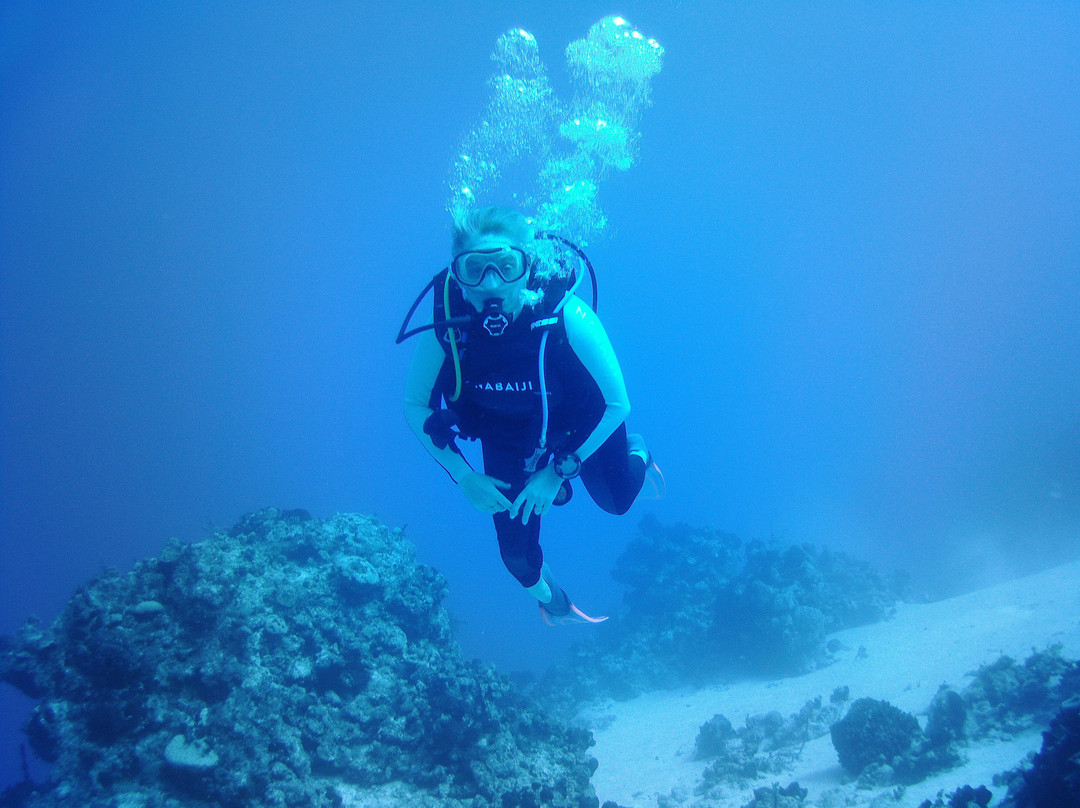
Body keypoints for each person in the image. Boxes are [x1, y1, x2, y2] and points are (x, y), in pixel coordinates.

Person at [404, 206, 653, 624]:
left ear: (527, 267)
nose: (490, 284)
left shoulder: (566, 316)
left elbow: (617, 404)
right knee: (516, 556)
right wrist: (464, 475)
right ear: (457, 277)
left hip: (582, 423)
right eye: (474, 269)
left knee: (618, 500)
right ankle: (555, 601)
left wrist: (556, 472)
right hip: (507, 435)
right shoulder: (448, 331)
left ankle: (639, 450)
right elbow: (415, 405)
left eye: (505, 266)